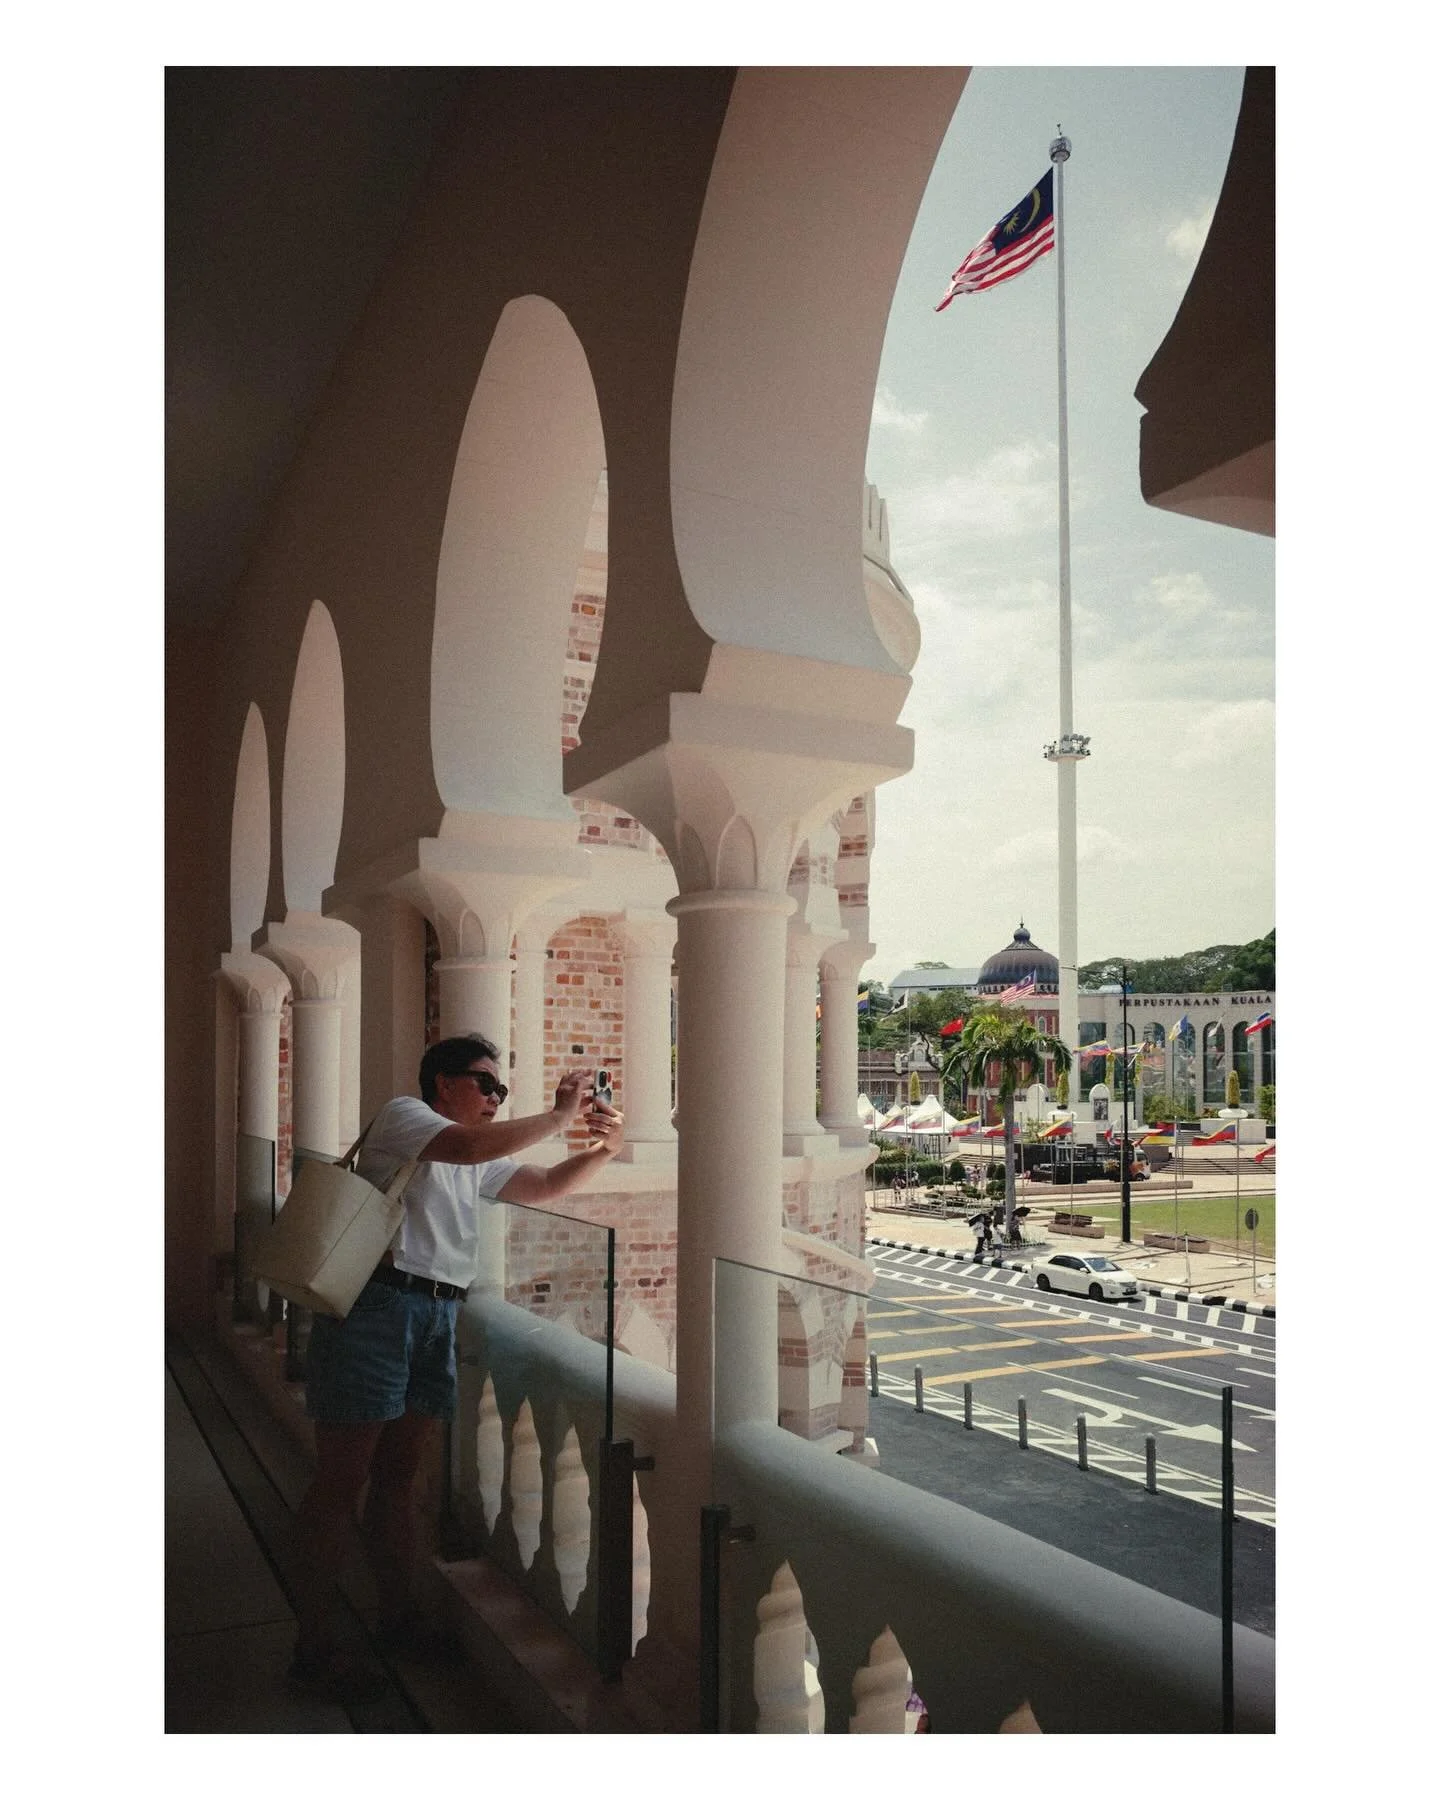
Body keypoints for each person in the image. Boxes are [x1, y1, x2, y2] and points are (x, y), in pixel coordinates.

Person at [289, 1032, 624, 1703]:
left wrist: (603, 1148)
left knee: (395, 1481)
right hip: (379, 1309)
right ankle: (314, 1644)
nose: (496, 1098)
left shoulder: (476, 1156)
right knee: (340, 1479)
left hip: (438, 1315)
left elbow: (546, 1183)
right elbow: (468, 1146)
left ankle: (397, 1619)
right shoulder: (408, 1118)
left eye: (501, 1089)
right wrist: (557, 1116)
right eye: (485, 1084)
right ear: (443, 1083)